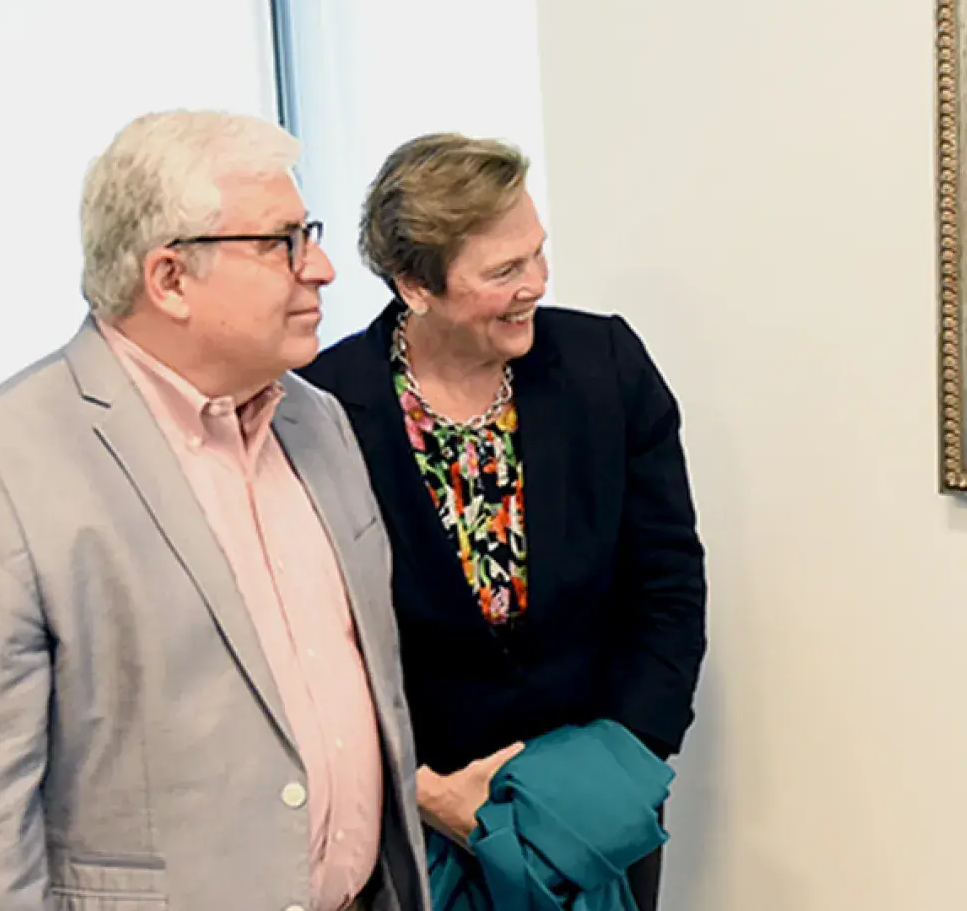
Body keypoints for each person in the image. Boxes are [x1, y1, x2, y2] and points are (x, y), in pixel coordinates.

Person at [0, 111, 427, 910]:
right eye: (283, 242)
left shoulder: (317, 420)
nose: (321, 269)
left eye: (310, 235)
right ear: (170, 279)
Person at [300, 133, 708, 911]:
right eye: (504, 271)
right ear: (414, 285)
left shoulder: (605, 365)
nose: (537, 284)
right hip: (413, 822)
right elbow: (313, 642)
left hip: (593, 813)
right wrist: (422, 789)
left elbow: (667, 581)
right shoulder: (319, 409)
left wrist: (616, 768)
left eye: (537, 254)